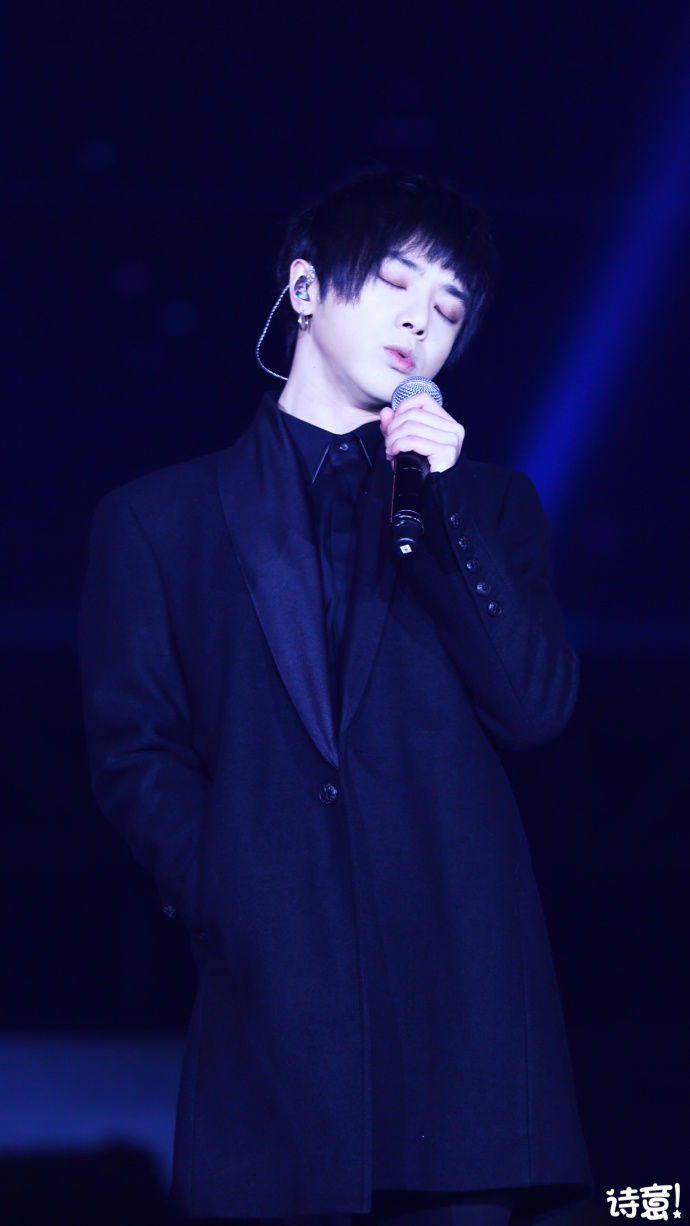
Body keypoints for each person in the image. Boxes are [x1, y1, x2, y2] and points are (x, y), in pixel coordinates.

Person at [79, 171, 592, 1225]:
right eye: (396, 283)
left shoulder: (489, 505)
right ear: (306, 289)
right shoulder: (158, 520)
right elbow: (137, 749)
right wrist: (227, 886)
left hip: (464, 1023)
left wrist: (443, 512)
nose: (420, 321)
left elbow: (536, 707)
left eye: (448, 308)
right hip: (273, 1013)